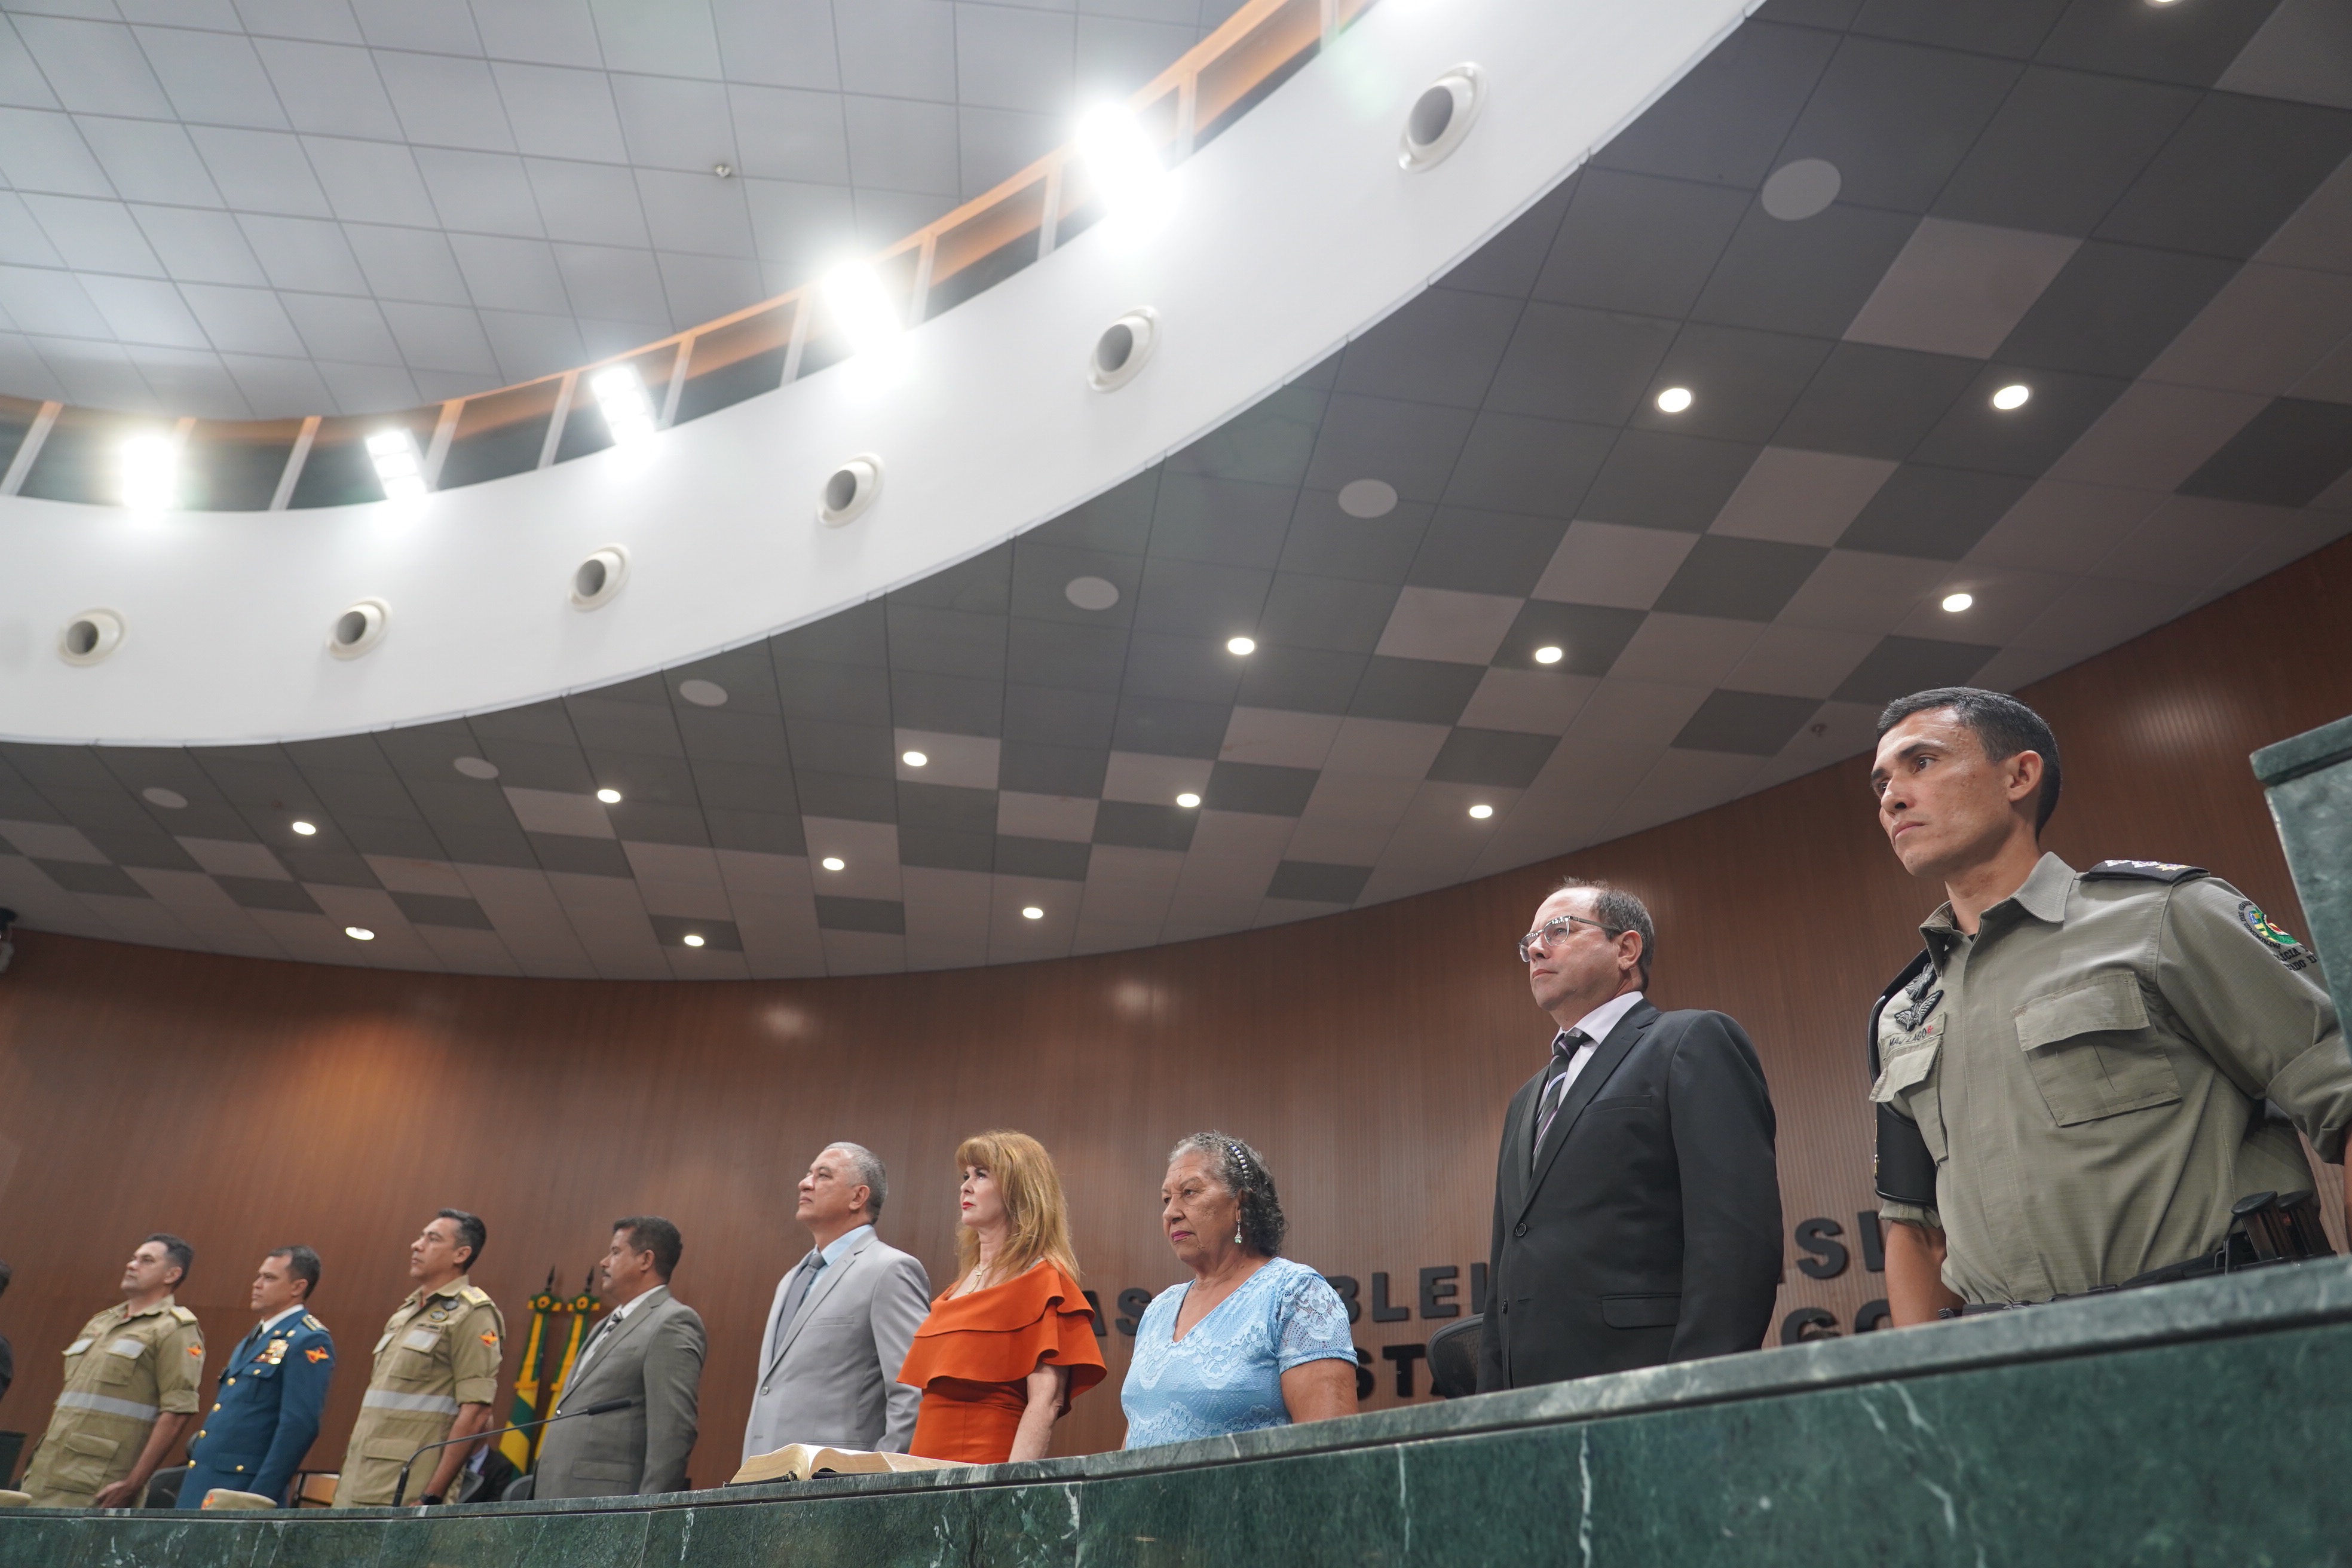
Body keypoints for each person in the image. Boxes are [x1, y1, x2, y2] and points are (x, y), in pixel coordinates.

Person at [1865, 688, 2351, 1321]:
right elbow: (1918, 1230)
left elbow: (2342, 1099)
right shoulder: (1905, 1012)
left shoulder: (2165, 917)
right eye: (1882, 783)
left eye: (1922, 762)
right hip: (2006, 1353)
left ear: (2019, 776)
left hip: (2218, 1325)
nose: (1892, 797)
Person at [1479, 878, 1781, 1391]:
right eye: (1529, 941)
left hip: (1651, 1385)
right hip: (1528, 1401)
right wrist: (1491, 1407)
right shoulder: (1526, 1099)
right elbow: (1506, 1267)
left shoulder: (1688, 1041)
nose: (1536, 950)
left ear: (1626, 949)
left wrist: (1699, 1390)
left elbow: (1736, 1240)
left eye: (1559, 930)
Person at [1120, 1132, 1356, 1448]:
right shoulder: (1158, 1310)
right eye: (1167, 1199)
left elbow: (1331, 1447)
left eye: (1189, 1192)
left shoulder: (1295, 1293)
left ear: (1240, 1204)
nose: (1170, 1213)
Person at [897, 1131, 1105, 1463]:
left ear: (1019, 1190)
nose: (965, 1187)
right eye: (966, 1176)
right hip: (921, 1473)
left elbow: (1046, 1402)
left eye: (981, 1175)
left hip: (985, 1475)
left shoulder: (1044, 1282)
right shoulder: (957, 1288)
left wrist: (1010, 1488)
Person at [743, 1144, 932, 1460]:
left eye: (823, 1175)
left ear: (858, 1197)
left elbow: (912, 1389)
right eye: (808, 1174)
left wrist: (876, 1474)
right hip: (764, 1472)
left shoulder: (889, 1269)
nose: (805, 1183)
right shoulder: (791, 1279)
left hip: (837, 1478)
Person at [333, 1210, 504, 1506]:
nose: (417, 1245)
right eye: (421, 1236)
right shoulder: (406, 1313)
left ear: (461, 1254)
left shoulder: (473, 1313)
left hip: (408, 1484)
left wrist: (432, 1495)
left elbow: (476, 1412)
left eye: (433, 1239)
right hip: (359, 1474)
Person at [20, 1235, 206, 1508]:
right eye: (133, 1258)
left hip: (98, 1482)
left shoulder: (174, 1329)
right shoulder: (102, 1323)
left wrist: (134, 1483)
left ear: (172, 1275)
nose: (132, 1265)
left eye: (146, 1260)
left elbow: (177, 1411)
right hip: (46, 1469)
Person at [532, 1217, 705, 1498]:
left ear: (646, 1260)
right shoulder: (606, 1324)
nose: (604, 1262)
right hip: (556, 1493)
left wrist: (649, 1511)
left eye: (615, 1252)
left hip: (608, 1501)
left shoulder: (672, 1322)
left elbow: (673, 1430)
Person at [177, 1248, 334, 1508]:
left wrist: (258, 1498)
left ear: (298, 1287)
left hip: (242, 1489)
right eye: (259, 1276)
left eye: (269, 1278)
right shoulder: (258, 1336)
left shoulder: (308, 1339)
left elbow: (299, 1426)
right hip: (207, 1481)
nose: (257, 1284)